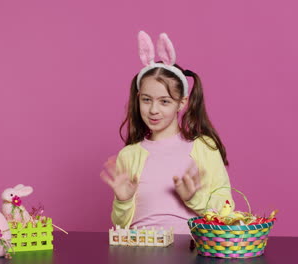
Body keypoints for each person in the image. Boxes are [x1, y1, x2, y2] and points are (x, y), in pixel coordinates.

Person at [100, 31, 234, 234]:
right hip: (138, 251)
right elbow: (120, 225)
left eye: (164, 101)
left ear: (182, 103)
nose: (154, 110)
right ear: (138, 99)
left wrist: (193, 199)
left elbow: (226, 210)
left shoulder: (204, 147)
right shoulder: (128, 155)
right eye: (146, 99)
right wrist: (123, 201)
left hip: (189, 250)